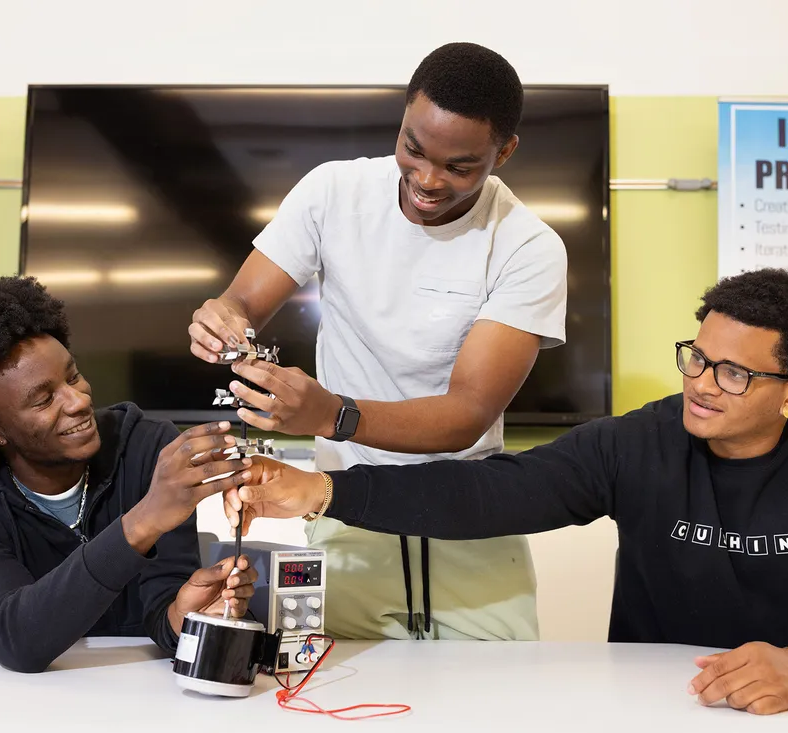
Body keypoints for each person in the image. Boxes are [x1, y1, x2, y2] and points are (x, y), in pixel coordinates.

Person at [224, 268, 788, 715]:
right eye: (698, 358)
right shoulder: (641, 441)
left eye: (733, 374)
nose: (700, 383)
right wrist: (322, 489)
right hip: (656, 704)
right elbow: (489, 493)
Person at [188, 42, 567, 641]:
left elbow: (467, 413)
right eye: (413, 149)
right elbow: (242, 302)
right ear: (403, 115)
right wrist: (223, 316)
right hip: (342, 506)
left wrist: (331, 415)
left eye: (459, 167)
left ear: (505, 151)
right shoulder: (332, 194)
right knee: (340, 698)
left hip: (471, 515)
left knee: (499, 701)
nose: (427, 179)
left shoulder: (527, 247)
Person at [0, 276, 256, 673]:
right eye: (44, 399)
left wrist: (184, 616)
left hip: (135, 693)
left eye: (73, 376)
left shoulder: (150, 450)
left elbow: (163, 606)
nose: (79, 401)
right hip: (12, 706)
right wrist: (143, 520)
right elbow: (19, 641)